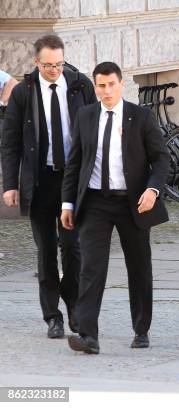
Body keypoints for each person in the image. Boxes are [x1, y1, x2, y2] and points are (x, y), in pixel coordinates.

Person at [60, 62, 170, 355]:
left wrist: (153, 189)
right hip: (95, 202)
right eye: (101, 85)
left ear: (121, 85)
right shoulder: (85, 116)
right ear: (94, 87)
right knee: (91, 266)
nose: (106, 91)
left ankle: (141, 328)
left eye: (111, 85)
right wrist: (67, 203)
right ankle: (88, 335)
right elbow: (74, 164)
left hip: (133, 201)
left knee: (138, 266)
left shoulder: (141, 116)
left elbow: (161, 159)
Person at [1, 35, 96, 339]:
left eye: (59, 64)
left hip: (72, 181)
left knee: (73, 248)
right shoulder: (23, 93)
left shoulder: (80, 85)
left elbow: (96, 130)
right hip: (40, 181)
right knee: (45, 252)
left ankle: (76, 312)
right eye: (48, 65)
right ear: (36, 62)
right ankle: (52, 315)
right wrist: (10, 184)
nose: (55, 70)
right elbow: (11, 141)